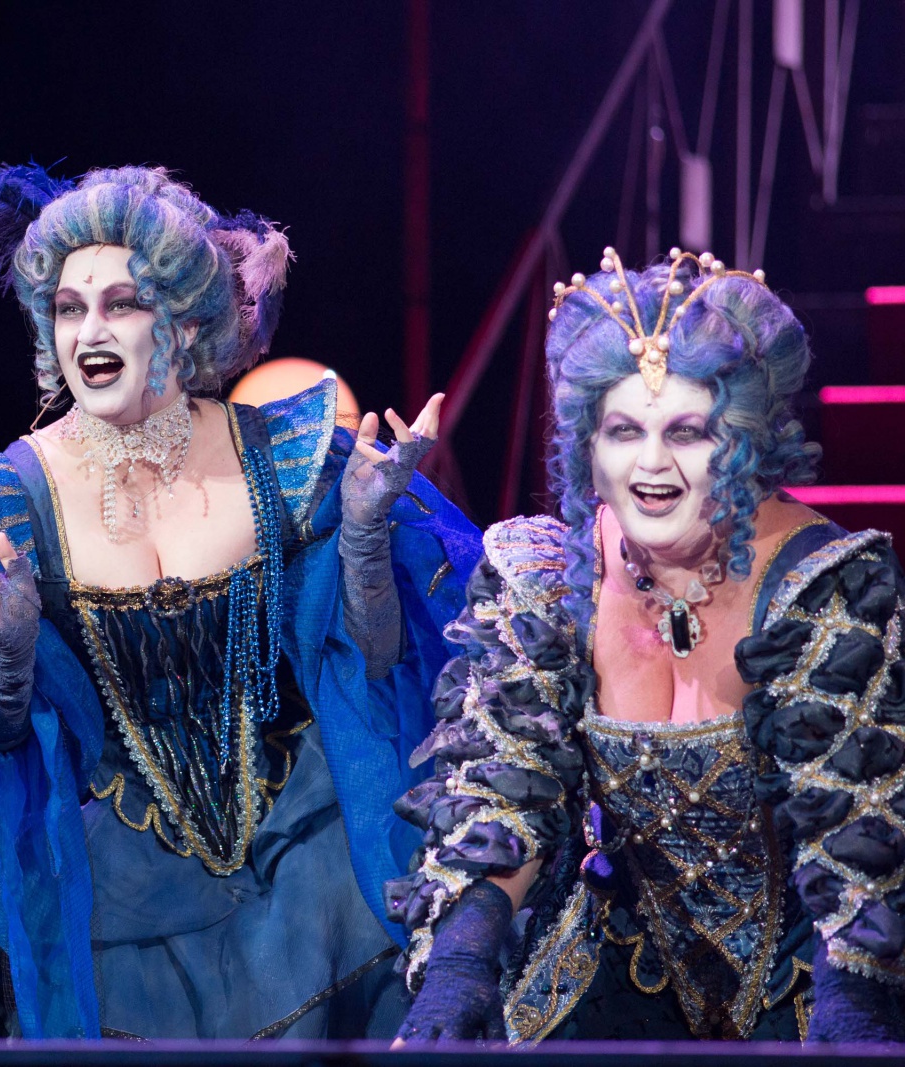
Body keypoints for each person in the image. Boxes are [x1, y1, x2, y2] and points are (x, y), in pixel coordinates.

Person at [0, 164, 481, 1038]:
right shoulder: (8, 502)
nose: (91, 330)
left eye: (121, 303)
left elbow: (377, 662)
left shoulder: (282, 458)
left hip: (307, 861)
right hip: (126, 901)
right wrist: (9, 649)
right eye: (69, 308)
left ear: (186, 319)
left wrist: (359, 538)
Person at [386, 247, 905, 1043]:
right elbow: (504, 785)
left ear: (740, 446)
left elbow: (854, 824)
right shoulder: (547, 578)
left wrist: (853, 1005)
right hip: (621, 959)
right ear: (587, 446)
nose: (652, 464)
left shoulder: (822, 584)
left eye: (687, 433)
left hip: (814, 961)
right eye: (624, 431)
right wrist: (459, 965)